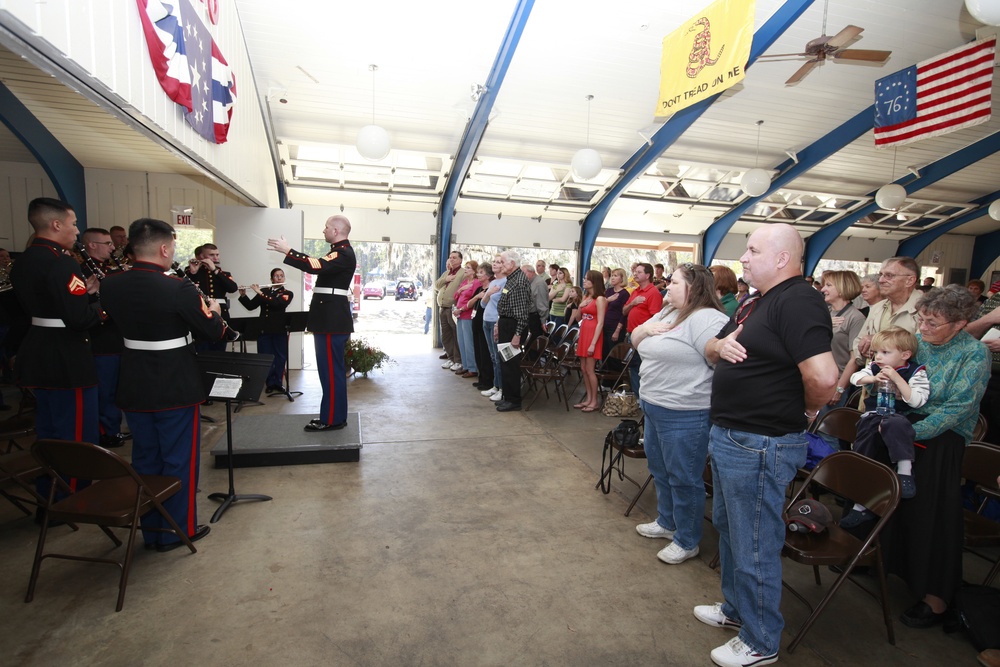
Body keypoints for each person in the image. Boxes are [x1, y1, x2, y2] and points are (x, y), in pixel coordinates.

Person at [696, 223, 837, 667]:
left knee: (754, 541)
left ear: (782, 258)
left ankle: (760, 641)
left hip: (761, 441)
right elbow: (711, 348)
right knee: (731, 529)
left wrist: (807, 412)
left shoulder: (798, 300)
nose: (744, 257)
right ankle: (738, 611)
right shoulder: (758, 302)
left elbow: (824, 378)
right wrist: (718, 347)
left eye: (753, 249)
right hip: (733, 435)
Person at [101, 217, 229, 550]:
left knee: (145, 458)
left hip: (133, 381)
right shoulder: (177, 287)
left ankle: (153, 529)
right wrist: (214, 311)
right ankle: (178, 530)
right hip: (174, 383)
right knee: (178, 459)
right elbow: (212, 331)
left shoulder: (111, 284)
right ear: (163, 248)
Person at [873, 286, 989, 629]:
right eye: (920, 320)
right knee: (890, 496)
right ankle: (883, 562)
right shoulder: (920, 343)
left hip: (943, 438)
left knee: (932, 512)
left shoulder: (974, 354)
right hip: (904, 426)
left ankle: (935, 597)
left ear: (959, 324)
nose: (922, 329)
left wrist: (911, 433)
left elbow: (958, 408)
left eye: (932, 323)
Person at [631, 263, 729, 565]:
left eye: (673, 282)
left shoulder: (707, 319)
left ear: (694, 287)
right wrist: (643, 329)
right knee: (661, 469)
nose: (667, 287)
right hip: (655, 405)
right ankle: (667, 521)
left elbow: (716, 358)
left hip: (685, 413)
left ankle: (687, 539)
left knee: (684, 477)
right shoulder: (668, 312)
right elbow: (636, 344)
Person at [11, 198, 102, 503]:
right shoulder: (62, 262)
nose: (77, 231)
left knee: (49, 432)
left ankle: (47, 493)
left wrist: (82, 296)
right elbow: (77, 319)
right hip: (67, 357)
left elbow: (49, 304)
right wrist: (102, 306)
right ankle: (72, 497)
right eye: (74, 223)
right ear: (56, 224)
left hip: (39, 352)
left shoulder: (24, 260)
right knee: (76, 433)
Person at [268, 215, 357, 431]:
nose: (323, 230)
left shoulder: (342, 252)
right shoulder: (338, 252)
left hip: (331, 320)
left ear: (336, 230)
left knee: (331, 372)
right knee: (329, 372)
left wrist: (289, 251)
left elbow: (314, 265)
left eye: (326, 227)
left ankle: (333, 419)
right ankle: (332, 415)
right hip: (329, 318)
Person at [844, 327, 929, 515]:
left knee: (896, 425)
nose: (878, 358)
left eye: (885, 352)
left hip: (899, 415)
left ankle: (905, 471)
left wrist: (897, 379)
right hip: (874, 414)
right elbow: (854, 378)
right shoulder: (876, 368)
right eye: (876, 353)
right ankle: (861, 499)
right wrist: (873, 378)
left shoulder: (915, 371)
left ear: (905, 354)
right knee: (865, 447)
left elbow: (917, 400)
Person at [843, 257, 921, 409]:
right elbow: (858, 343)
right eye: (881, 275)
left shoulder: (924, 309)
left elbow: (923, 352)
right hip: (873, 393)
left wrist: (877, 342)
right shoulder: (878, 308)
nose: (882, 280)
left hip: (906, 398)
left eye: (889, 275)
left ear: (910, 280)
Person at [80, 227, 129, 448]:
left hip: (116, 339)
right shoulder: (82, 271)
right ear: (92, 245)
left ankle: (113, 428)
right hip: (101, 341)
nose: (112, 247)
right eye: (107, 243)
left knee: (116, 390)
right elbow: (84, 309)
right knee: (105, 392)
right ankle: (105, 431)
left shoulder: (107, 269)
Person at [238, 267, 294, 394]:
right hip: (263, 329)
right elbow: (251, 306)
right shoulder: (263, 291)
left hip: (280, 329)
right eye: (276, 276)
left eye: (281, 276)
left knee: (280, 357)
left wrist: (260, 293)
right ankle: (269, 383)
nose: (279, 278)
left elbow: (277, 304)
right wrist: (243, 295)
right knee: (265, 356)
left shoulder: (287, 293)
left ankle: (278, 383)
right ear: (271, 278)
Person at [821, 270, 865, 408]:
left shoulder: (855, 318)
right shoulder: (824, 312)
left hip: (835, 382)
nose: (823, 289)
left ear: (841, 289)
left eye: (828, 285)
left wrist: (840, 388)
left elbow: (855, 359)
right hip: (816, 379)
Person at [494, 250, 531, 412]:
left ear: (512, 264)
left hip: (513, 327)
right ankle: (508, 397)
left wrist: (517, 335)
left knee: (511, 364)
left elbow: (522, 314)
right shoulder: (512, 279)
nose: (500, 265)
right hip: (506, 324)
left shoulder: (519, 283)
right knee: (505, 362)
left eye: (502, 262)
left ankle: (514, 400)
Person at [185, 243, 238, 351]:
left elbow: (233, 288)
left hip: (221, 314)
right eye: (212, 255)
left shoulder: (222, 273)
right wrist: (193, 273)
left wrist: (215, 270)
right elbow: (184, 290)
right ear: (202, 257)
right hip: (201, 314)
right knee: (202, 349)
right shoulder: (191, 271)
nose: (216, 257)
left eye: (217, 255)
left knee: (220, 349)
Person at [622, 262, 663, 395]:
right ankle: (636, 395)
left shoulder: (653, 293)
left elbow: (655, 318)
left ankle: (641, 397)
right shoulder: (635, 291)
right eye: (635, 272)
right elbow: (624, 311)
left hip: (644, 337)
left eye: (639, 272)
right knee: (633, 365)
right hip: (631, 333)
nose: (635, 274)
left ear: (647, 275)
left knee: (641, 367)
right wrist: (633, 303)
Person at [967, 286, 1000, 445]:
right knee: (985, 432)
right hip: (983, 376)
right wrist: (990, 318)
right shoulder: (996, 299)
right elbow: (967, 333)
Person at [573, 270, 607, 412]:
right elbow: (578, 319)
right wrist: (580, 306)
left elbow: (600, 322)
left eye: (587, 279)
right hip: (584, 332)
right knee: (583, 369)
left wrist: (593, 343)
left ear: (594, 282)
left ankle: (594, 401)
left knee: (590, 369)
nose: (584, 281)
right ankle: (588, 399)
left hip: (594, 335)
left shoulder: (600, 299)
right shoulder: (586, 296)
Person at [480, 255, 507, 403]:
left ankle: (502, 388)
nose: (495, 264)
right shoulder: (494, 283)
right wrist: (489, 293)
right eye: (494, 262)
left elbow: (503, 305)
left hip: (496, 321)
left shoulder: (505, 282)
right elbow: (483, 304)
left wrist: (498, 322)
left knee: (498, 357)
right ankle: (495, 386)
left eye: (498, 262)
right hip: (486, 320)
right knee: (492, 356)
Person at [434, 251, 464, 371]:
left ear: (460, 260)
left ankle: (458, 360)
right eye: (450, 257)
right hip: (442, 307)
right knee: (446, 335)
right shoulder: (446, 272)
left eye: (454, 258)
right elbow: (436, 285)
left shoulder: (463, 273)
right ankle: (451, 358)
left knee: (455, 335)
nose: (451, 260)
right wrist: (446, 279)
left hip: (453, 308)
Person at [452, 260, 480, 379]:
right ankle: (465, 365)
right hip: (459, 315)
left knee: (469, 343)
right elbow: (455, 296)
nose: (465, 269)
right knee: (461, 342)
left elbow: (473, 300)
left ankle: (472, 367)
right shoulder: (464, 282)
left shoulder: (476, 283)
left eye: (468, 268)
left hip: (468, 315)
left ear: (474, 271)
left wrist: (462, 309)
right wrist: (460, 290)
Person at [470, 263, 494, 391]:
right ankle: (481, 378)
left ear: (488, 275)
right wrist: (477, 297)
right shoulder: (479, 289)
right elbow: (470, 303)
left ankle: (488, 380)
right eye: (478, 272)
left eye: (481, 272)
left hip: (486, 322)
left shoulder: (491, 289)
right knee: (478, 352)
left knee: (485, 352)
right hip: (476, 321)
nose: (478, 274)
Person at [602, 268, 628, 358]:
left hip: (615, 326)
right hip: (605, 325)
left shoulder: (624, 294)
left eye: (615, 276)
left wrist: (617, 330)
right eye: (612, 275)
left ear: (622, 278)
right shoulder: (609, 291)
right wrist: (607, 300)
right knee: (604, 352)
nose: (612, 278)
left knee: (613, 355)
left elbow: (624, 314)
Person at [523, 264, 549, 340]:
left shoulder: (539, 283)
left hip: (535, 318)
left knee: (534, 342)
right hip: (530, 316)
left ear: (532, 272)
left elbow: (542, 303)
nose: (522, 276)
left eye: (524, 273)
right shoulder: (530, 282)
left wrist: (543, 321)